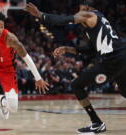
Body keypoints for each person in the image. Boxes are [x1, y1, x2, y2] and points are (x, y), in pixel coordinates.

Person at [26, 0, 126, 134]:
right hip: (121, 57)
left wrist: (40, 15)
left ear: (85, 7)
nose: (77, 13)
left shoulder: (89, 15)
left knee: (76, 85)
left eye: (78, 9)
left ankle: (97, 123)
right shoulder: (97, 22)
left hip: (113, 59)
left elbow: (64, 20)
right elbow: (90, 51)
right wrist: (67, 48)